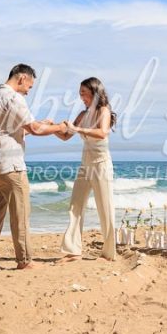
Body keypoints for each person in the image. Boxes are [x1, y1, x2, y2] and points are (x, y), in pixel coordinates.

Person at [0, 63, 66, 273]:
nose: (28, 90)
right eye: (29, 86)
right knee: (21, 213)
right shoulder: (14, 97)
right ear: (22, 78)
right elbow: (34, 128)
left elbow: (11, 130)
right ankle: (24, 260)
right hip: (10, 165)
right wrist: (58, 128)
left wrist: (39, 125)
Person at [55, 77, 117, 262]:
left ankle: (108, 253)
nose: (81, 96)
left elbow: (102, 132)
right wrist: (53, 127)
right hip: (85, 165)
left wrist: (78, 129)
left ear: (94, 92)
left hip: (101, 165)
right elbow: (67, 135)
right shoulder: (82, 115)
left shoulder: (103, 111)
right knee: (76, 205)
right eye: (80, 92)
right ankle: (73, 250)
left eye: (84, 92)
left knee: (105, 208)